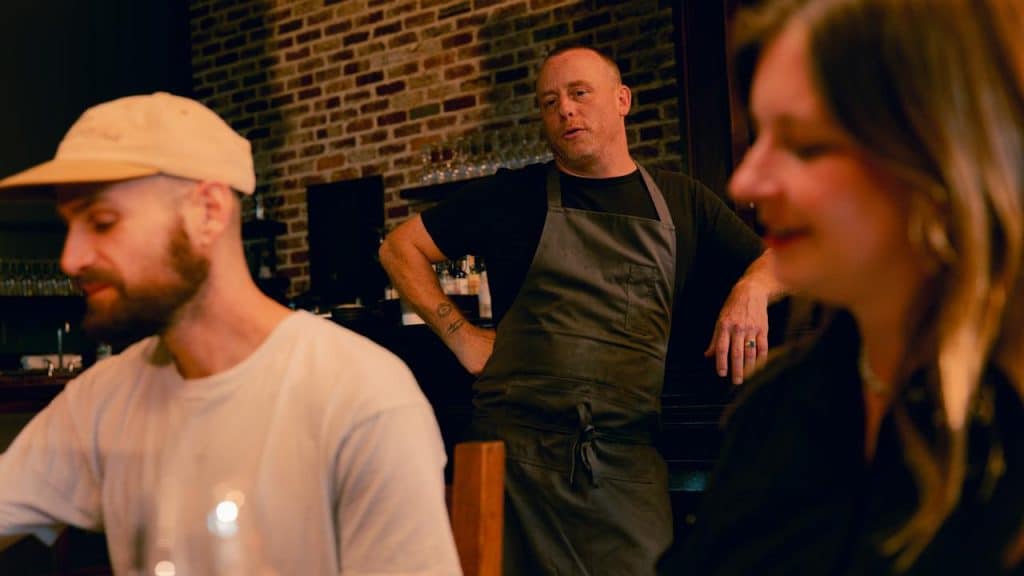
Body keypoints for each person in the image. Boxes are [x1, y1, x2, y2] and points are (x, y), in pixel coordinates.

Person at [0, 93, 461, 575]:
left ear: (209, 212)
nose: (70, 259)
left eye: (102, 222)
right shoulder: (103, 398)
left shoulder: (358, 396)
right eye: (69, 227)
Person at [379, 46, 782, 575]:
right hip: (515, 462)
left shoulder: (681, 201)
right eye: (550, 102)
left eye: (578, 93)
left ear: (622, 101)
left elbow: (789, 256)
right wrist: (461, 335)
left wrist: (750, 289)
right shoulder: (515, 197)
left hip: (626, 466)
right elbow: (399, 247)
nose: (564, 110)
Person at [681, 0, 1024, 573]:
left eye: (805, 145)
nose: (745, 181)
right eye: (759, 137)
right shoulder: (775, 410)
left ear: (938, 157)